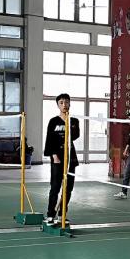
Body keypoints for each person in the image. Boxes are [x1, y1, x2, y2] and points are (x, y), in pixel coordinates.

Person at [44, 93, 80, 226]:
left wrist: (68, 122)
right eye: (61, 103)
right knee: (55, 187)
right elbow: (49, 139)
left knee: (68, 188)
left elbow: (75, 136)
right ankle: (50, 214)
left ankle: (62, 214)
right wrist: (54, 155)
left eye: (66, 102)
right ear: (58, 105)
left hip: (71, 158)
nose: (64, 105)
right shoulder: (53, 121)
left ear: (70, 104)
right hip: (57, 158)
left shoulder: (74, 121)